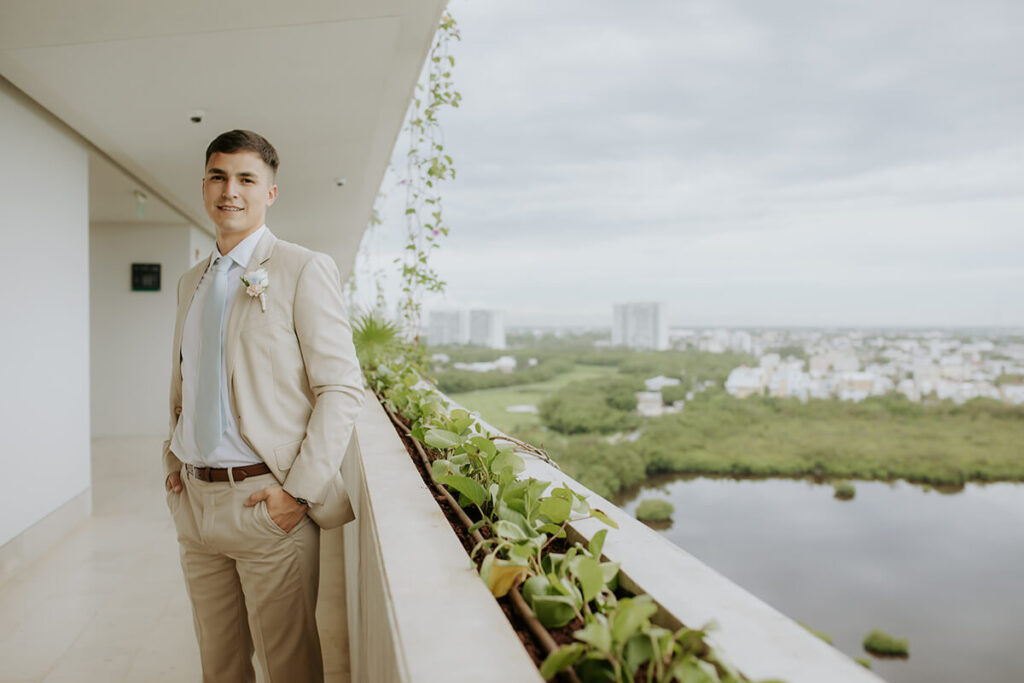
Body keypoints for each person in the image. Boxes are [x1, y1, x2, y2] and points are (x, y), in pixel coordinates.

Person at [163, 129, 364, 682]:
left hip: (265, 505)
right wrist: (175, 463)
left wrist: (296, 494)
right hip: (196, 505)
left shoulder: (302, 269)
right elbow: (189, 381)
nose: (230, 190)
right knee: (219, 666)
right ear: (204, 186)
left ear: (269, 192)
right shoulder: (190, 283)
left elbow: (341, 388)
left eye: (246, 179)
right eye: (218, 176)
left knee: (290, 669)